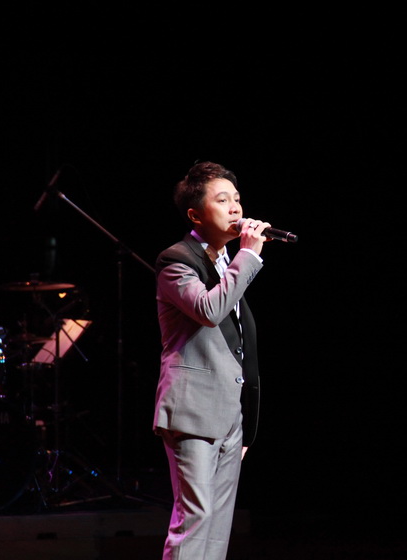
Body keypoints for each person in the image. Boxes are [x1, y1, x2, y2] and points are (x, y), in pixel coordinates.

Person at [153, 160, 268, 560]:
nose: (235, 208)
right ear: (195, 214)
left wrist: (246, 421)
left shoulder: (224, 262)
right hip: (193, 410)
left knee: (218, 528)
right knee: (196, 519)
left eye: (237, 198)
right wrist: (248, 256)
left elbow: (240, 343)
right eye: (222, 200)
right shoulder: (176, 261)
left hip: (229, 412)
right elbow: (209, 310)